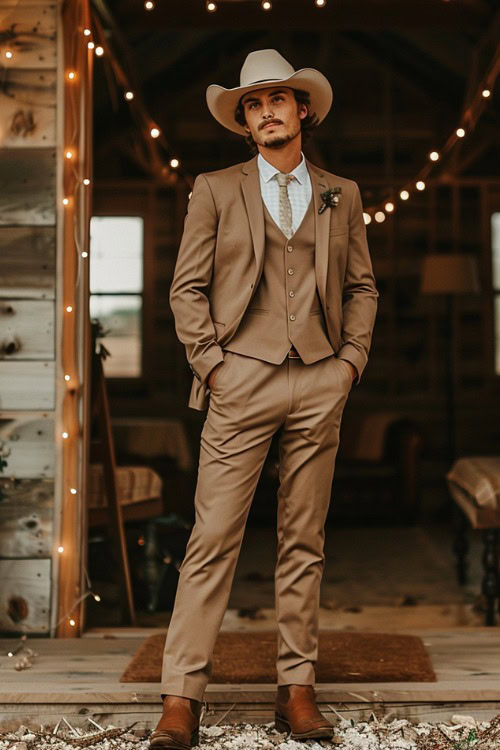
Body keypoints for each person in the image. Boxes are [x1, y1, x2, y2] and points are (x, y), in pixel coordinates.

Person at [150, 49, 378, 749]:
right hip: (239, 378)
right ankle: (180, 698)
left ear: (302, 109)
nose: (267, 111)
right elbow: (185, 288)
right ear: (243, 122)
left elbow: (361, 286)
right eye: (253, 104)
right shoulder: (215, 189)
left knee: (303, 540)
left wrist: (348, 364)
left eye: (278, 99)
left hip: (319, 378)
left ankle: (297, 688)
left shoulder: (343, 191)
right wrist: (214, 365)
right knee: (212, 538)